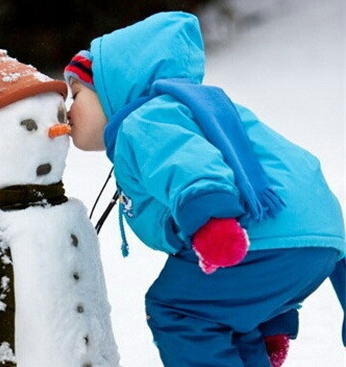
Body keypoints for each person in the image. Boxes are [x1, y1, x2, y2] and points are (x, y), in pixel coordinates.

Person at [63, 11, 345, 367]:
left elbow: (187, 162)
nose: (68, 109)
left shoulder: (145, 120)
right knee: (216, 318)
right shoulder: (189, 109)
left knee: (179, 310)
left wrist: (213, 222)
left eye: (76, 93)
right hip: (317, 235)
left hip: (259, 236)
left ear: (113, 88)